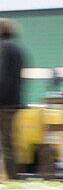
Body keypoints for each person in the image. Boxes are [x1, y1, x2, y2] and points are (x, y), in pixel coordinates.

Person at [0, 19, 26, 179]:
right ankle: (12, 178)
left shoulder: (3, 48)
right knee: (9, 144)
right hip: (12, 102)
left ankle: (10, 179)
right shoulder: (17, 48)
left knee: (6, 144)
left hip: (2, 102)